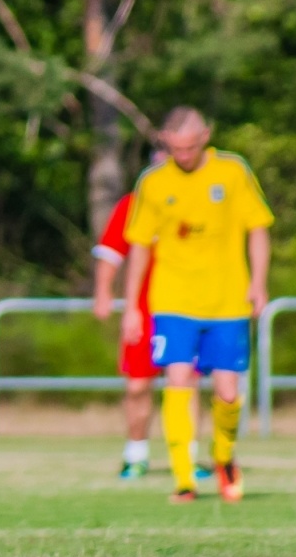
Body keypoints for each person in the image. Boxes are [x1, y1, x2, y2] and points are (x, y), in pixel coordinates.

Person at [122, 107, 273, 503]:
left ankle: (224, 458)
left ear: (206, 135)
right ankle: (184, 479)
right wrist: (131, 306)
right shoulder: (153, 182)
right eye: (175, 149)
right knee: (178, 382)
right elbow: (138, 246)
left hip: (227, 300)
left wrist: (258, 283)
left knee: (226, 393)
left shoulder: (232, 172)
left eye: (189, 147)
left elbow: (257, 229)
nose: (183, 156)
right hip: (173, 299)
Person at [92, 155, 213, 481]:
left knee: (187, 383)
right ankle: (136, 454)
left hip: (188, 308)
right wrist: (104, 292)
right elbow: (110, 252)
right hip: (144, 311)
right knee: (137, 385)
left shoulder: (199, 200)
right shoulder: (133, 204)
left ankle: (187, 456)